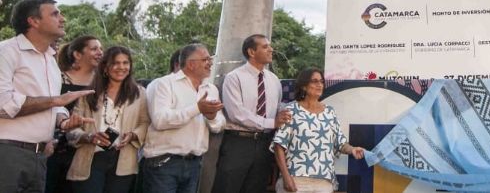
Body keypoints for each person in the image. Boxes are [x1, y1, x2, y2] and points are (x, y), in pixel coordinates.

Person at [0, 0, 94, 192]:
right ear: (33, 21)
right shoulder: (6, 51)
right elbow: (4, 104)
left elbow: (53, 104)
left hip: (41, 156)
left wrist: (63, 122)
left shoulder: (50, 60)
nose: (62, 18)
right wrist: (55, 101)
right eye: (55, 14)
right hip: (8, 153)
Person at [212, 35, 292, 193]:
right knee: (227, 187)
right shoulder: (234, 77)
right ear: (251, 52)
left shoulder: (274, 80)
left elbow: (277, 108)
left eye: (270, 46)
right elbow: (236, 114)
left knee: (256, 188)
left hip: (265, 144)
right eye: (265, 46)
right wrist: (272, 123)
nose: (271, 49)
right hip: (238, 143)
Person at [141, 43, 225, 193]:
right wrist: (197, 109)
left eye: (210, 59)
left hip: (194, 163)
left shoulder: (210, 89)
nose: (210, 63)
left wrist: (212, 117)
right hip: (164, 163)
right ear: (191, 64)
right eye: (205, 59)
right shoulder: (163, 84)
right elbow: (160, 120)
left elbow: (219, 125)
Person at [66, 46, 149, 192]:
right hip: (91, 158)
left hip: (123, 160)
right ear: (105, 67)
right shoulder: (89, 94)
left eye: (125, 63)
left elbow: (145, 123)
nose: (121, 67)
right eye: (115, 63)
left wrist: (133, 135)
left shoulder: (139, 93)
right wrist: (89, 137)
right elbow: (72, 129)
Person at [271, 68, 365, 193]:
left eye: (321, 81)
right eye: (314, 81)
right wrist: (286, 177)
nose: (319, 85)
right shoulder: (291, 110)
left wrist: (352, 149)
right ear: (304, 86)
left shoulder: (329, 112)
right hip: (296, 180)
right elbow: (278, 146)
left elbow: (340, 143)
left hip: (324, 183)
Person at [47, 35, 104, 193]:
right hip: (54, 148)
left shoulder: (102, 83)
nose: (100, 52)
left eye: (101, 49)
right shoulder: (57, 78)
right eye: (94, 49)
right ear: (77, 54)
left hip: (85, 150)